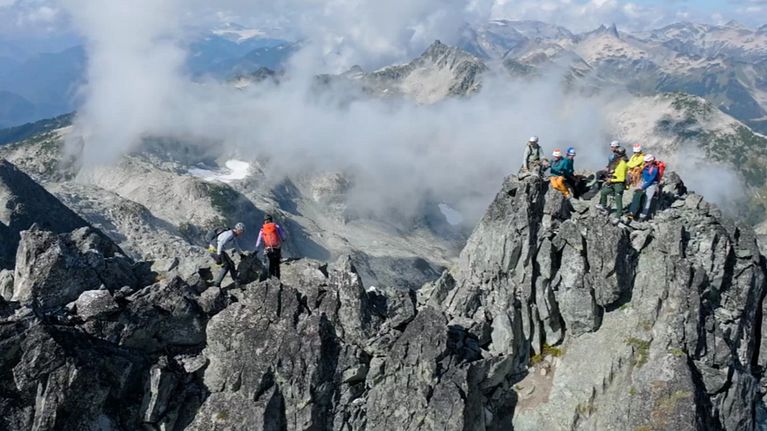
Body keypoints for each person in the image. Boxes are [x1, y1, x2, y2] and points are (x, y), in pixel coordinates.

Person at [208, 222, 246, 287]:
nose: (242, 234)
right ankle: (217, 283)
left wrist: (241, 255)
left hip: (218, 250)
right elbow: (220, 243)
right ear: (239, 230)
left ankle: (236, 281)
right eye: (242, 232)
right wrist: (218, 255)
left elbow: (236, 246)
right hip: (214, 250)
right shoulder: (229, 234)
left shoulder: (233, 236)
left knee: (231, 264)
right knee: (226, 266)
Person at [597, 146, 628, 220]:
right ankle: (603, 206)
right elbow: (616, 172)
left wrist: (611, 180)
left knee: (618, 200)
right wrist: (611, 175)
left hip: (619, 184)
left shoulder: (623, 164)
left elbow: (622, 178)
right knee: (604, 192)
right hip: (613, 182)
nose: (616, 154)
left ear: (620, 154)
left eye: (617, 153)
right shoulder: (618, 162)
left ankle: (618, 216)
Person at [628, 154, 661, 221]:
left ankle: (643, 216)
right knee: (639, 196)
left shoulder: (655, 169)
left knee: (647, 200)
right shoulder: (646, 166)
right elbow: (642, 174)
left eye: (647, 161)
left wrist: (642, 187)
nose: (645, 163)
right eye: (645, 161)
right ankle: (635, 212)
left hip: (652, 184)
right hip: (644, 182)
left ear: (651, 161)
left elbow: (651, 180)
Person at [255, 215, 286, 279]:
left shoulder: (262, 229)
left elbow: (258, 240)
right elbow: (283, 236)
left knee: (271, 264)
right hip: (277, 247)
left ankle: (271, 279)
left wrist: (256, 248)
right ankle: (278, 279)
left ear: (264, 221)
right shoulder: (276, 226)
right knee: (277, 264)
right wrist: (283, 239)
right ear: (271, 220)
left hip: (268, 248)